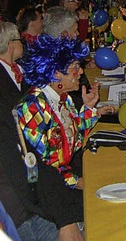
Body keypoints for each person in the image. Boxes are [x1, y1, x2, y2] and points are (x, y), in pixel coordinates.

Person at [0, 23, 84, 240]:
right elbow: (41, 161)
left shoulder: (53, 99)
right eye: (75, 67)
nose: (81, 72)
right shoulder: (31, 104)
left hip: (37, 205)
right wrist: (65, 217)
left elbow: (35, 159)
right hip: (26, 218)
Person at [16, 35, 101, 188]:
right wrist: (77, 182)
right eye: (75, 67)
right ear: (56, 73)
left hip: (65, 176)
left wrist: (88, 108)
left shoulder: (63, 99)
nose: (81, 71)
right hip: (49, 189)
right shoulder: (32, 108)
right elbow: (44, 164)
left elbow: (74, 140)